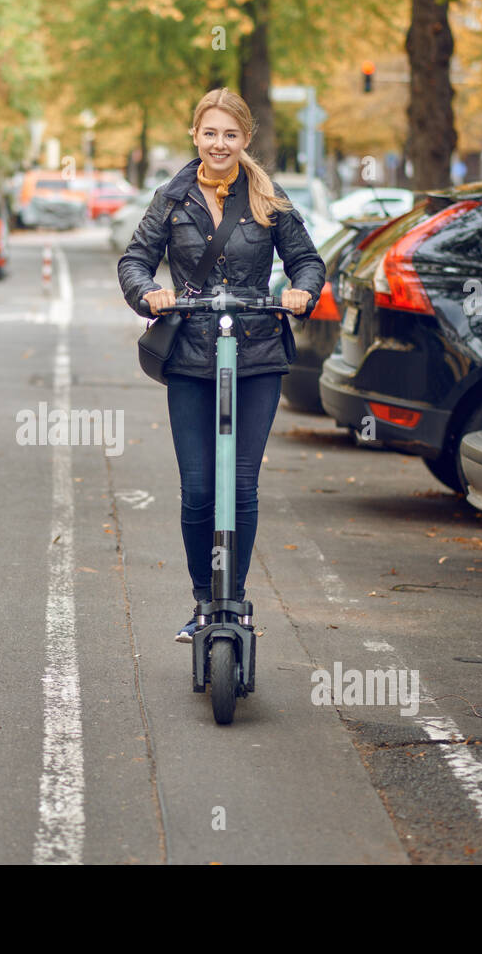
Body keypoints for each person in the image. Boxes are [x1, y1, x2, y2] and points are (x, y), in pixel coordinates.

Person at [117, 87, 325, 643]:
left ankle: (233, 596)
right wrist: (150, 294)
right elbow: (135, 260)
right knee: (200, 487)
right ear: (195, 135)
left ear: (245, 139)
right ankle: (204, 600)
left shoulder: (267, 196)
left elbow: (307, 260)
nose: (219, 143)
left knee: (243, 485)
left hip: (256, 353)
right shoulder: (172, 196)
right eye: (210, 132)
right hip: (189, 357)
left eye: (230, 134)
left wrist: (302, 291)